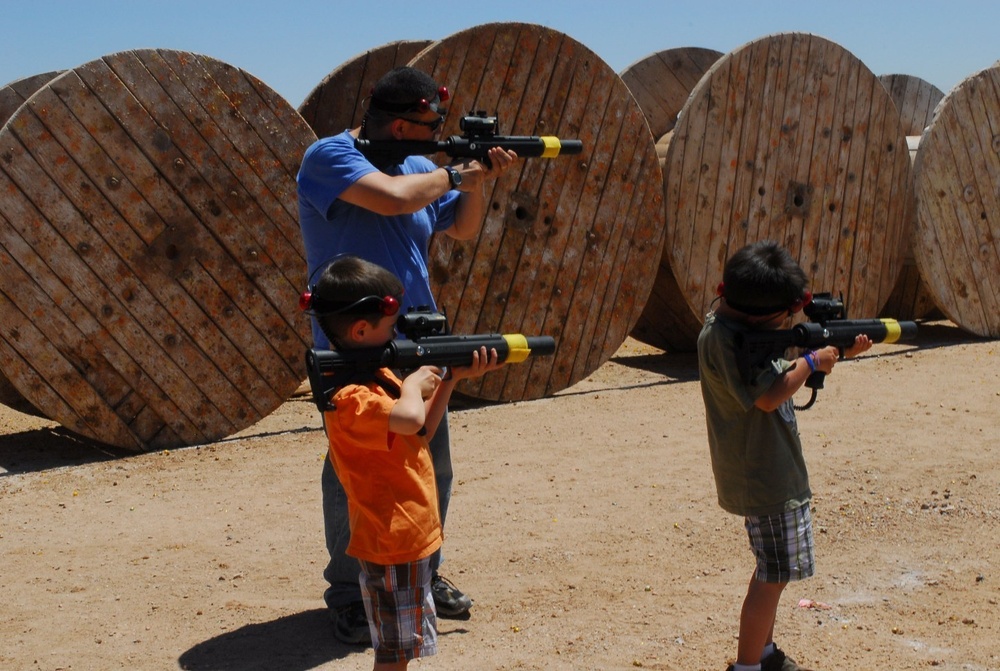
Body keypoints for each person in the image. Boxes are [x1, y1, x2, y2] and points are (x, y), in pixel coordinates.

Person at [297, 65, 517, 644]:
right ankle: (348, 591)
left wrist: (477, 180)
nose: (437, 136)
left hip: (416, 330)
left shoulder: (424, 167)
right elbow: (393, 201)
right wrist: (456, 171)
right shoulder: (330, 157)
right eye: (430, 125)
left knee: (429, 460)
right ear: (400, 123)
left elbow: (462, 230)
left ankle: (423, 572)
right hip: (355, 340)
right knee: (356, 474)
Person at [305, 255, 503, 670]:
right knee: (393, 655)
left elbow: (421, 431)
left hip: (408, 541)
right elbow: (409, 416)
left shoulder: (380, 378)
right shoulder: (349, 400)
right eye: (389, 328)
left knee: (405, 648)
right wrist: (413, 383)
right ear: (361, 331)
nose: (397, 335)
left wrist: (449, 380)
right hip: (390, 544)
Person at [696, 241, 872, 671]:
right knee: (773, 574)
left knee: (772, 569)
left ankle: (765, 653)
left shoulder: (728, 330)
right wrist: (811, 361)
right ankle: (747, 666)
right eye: (786, 317)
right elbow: (770, 396)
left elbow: (774, 368)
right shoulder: (728, 342)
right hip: (765, 476)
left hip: (766, 470)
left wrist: (829, 351)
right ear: (761, 316)